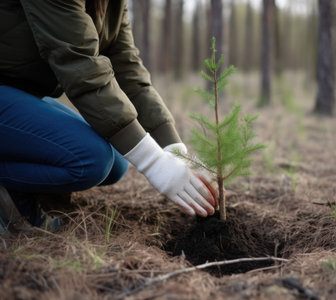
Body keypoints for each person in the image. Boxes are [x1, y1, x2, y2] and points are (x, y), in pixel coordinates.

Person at [0, 0, 217, 233]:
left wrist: (175, 151)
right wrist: (154, 163)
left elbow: (126, 67)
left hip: (16, 94)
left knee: (116, 161)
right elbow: (80, 66)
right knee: (89, 158)